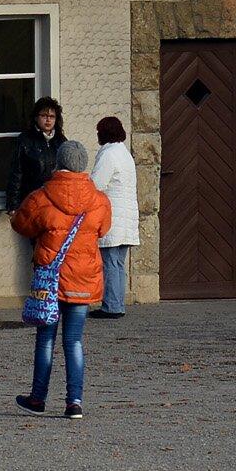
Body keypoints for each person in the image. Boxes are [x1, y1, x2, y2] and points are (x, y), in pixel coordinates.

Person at [12, 140, 110, 417]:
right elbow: (103, 229)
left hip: (50, 280)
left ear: (59, 162)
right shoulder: (99, 200)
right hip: (83, 277)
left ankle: (37, 399)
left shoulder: (42, 197)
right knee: (74, 341)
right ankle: (74, 402)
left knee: (45, 340)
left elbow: (20, 224)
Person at [91, 116, 138, 319]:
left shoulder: (109, 155)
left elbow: (96, 184)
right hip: (127, 218)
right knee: (118, 264)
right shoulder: (125, 153)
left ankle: (111, 306)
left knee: (109, 263)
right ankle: (117, 304)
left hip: (113, 217)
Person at [3, 99, 82, 214]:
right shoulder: (25, 140)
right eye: (44, 116)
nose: (48, 120)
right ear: (36, 117)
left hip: (56, 203)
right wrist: (12, 205)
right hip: (32, 201)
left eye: (52, 116)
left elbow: (70, 173)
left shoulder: (61, 141)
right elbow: (16, 173)